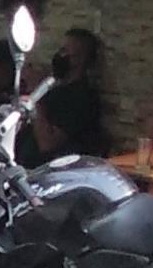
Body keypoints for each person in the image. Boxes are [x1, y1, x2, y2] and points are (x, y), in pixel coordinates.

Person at [24, 28, 106, 167]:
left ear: (79, 59)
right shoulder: (55, 89)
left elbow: (47, 144)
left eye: (65, 51)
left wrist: (36, 93)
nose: (59, 55)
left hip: (52, 170)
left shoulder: (82, 97)